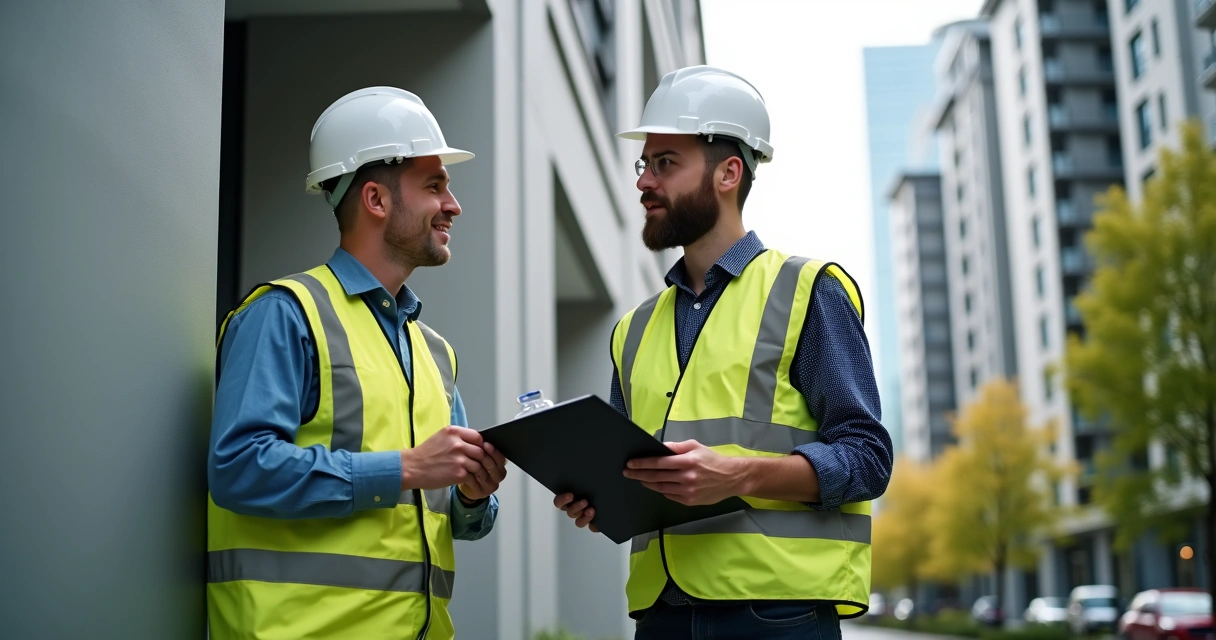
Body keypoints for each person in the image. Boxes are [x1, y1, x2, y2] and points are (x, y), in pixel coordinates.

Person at [553, 66, 893, 639]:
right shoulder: (633, 329)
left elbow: (867, 459)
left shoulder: (806, 292)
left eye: (666, 164)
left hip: (777, 615)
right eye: (645, 164)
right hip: (661, 615)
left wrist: (736, 475)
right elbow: (634, 471)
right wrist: (601, 497)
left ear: (728, 173)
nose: (644, 182)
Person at [206, 87, 505, 640]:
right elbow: (238, 468)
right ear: (376, 200)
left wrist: (472, 494)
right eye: (434, 185)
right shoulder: (283, 315)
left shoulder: (434, 351)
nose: (453, 204)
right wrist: (407, 469)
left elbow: (456, 517)